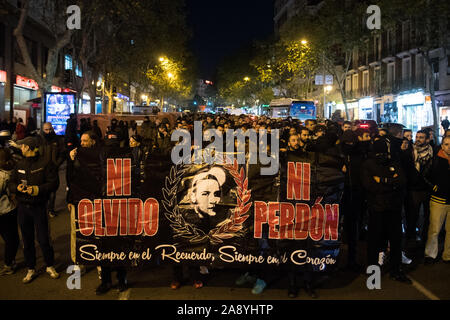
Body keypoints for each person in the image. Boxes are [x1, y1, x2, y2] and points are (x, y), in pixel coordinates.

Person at [8, 136, 59, 283]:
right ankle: (31, 268)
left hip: (39, 207)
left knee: (43, 239)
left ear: (29, 148)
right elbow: (11, 182)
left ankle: (50, 265)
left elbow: (54, 183)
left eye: (22, 146)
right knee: (27, 240)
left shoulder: (45, 163)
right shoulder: (20, 164)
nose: (21, 148)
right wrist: (16, 188)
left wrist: (38, 189)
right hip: (23, 208)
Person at [361, 137, 411, 284]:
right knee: (374, 242)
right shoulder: (368, 165)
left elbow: (401, 181)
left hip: (393, 209)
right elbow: (370, 186)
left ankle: (396, 270)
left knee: (395, 241)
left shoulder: (392, 162)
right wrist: (391, 183)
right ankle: (373, 274)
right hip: (376, 209)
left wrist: (382, 180)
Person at [403, 130, 434, 248]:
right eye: (417, 136)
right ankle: (410, 239)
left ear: (427, 140)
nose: (418, 139)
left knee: (427, 216)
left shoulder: (432, 152)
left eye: (421, 137)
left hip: (427, 188)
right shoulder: (411, 151)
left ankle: (425, 239)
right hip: (414, 189)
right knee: (412, 215)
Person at [424, 136, 450, 264]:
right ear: (442, 145)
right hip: (438, 200)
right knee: (434, 229)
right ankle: (430, 254)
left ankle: (448, 255)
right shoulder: (435, 159)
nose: (449, 147)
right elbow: (424, 176)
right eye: (446, 144)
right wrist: (434, 188)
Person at [39, 123, 66, 218]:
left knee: (53, 191)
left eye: (50, 129)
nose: (48, 131)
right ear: (42, 129)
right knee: (42, 192)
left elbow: (63, 153)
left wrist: (56, 164)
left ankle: (51, 210)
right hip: (41, 170)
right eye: (46, 130)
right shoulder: (39, 140)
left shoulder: (57, 140)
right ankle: (43, 210)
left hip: (53, 170)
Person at [0, 148, 19, 276]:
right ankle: (10, 261)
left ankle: (8, 264)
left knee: (9, 238)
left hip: (3, 210)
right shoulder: (13, 168)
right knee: (13, 237)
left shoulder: (2, 174)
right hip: (11, 208)